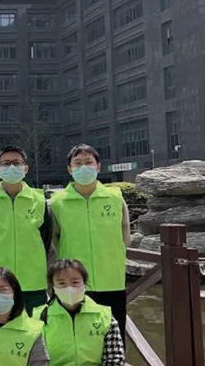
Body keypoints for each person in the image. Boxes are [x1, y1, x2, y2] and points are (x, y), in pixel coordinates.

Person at [49, 144, 131, 337]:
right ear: (70, 169)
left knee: (113, 337)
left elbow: (124, 234)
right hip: (73, 284)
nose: (83, 167)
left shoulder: (115, 198)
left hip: (111, 280)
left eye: (88, 162)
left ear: (98, 166)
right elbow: (54, 239)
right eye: (78, 163)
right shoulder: (58, 202)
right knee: (77, 338)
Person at [0, 146, 50, 313]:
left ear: (26, 168)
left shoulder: (39, 200)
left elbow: (46, 239)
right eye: (6, 164)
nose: (11, 167)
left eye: (17, 163)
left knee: (35, 327)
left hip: (33, 282)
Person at [35, 259, 125, 366]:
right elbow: (35, 360)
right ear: (53, 287)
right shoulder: (38, 318)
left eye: (75, 282)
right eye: (61, 283)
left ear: (84, 284)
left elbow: (115, 359)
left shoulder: (105, 316)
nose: (69, 288)